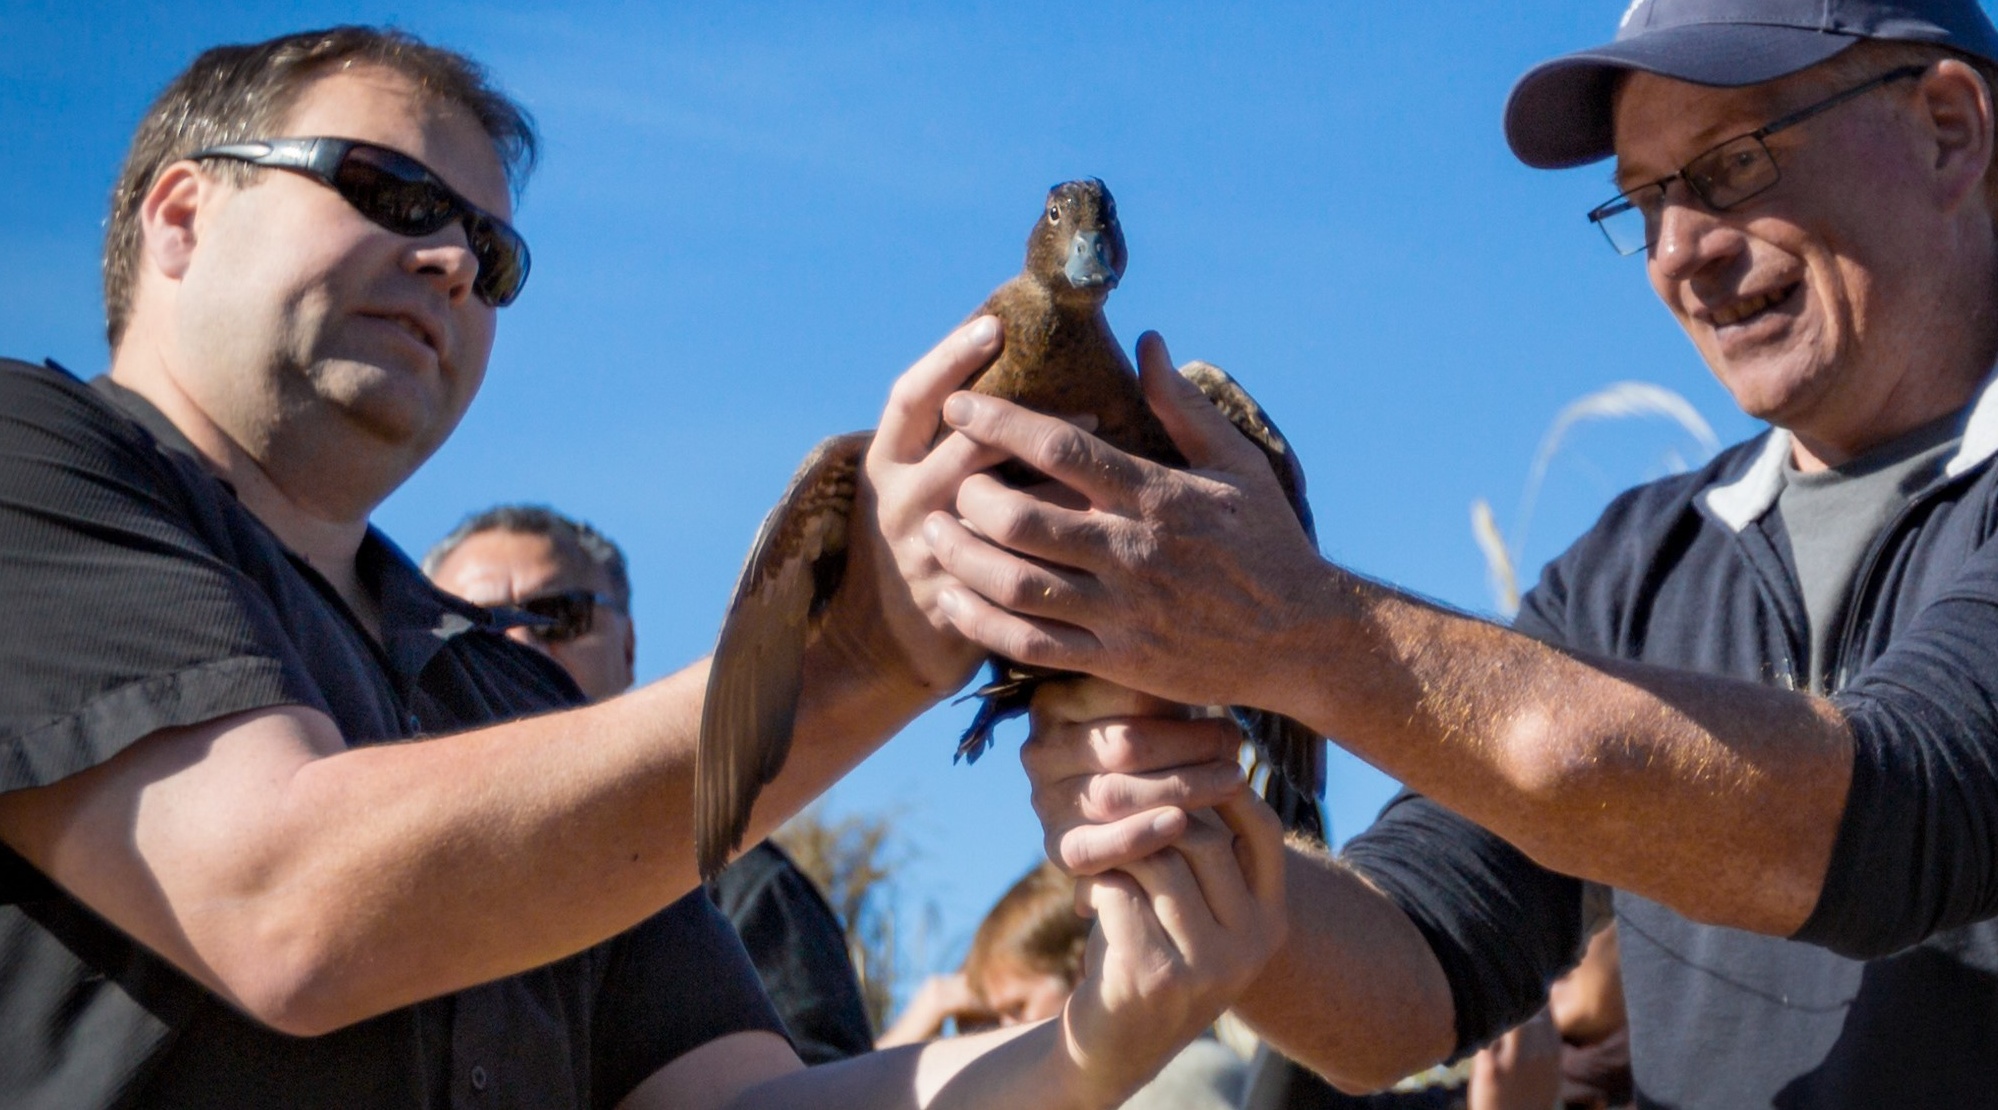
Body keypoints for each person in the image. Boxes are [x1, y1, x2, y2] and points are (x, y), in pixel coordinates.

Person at [0, 25, 1288, 1109]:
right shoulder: (24, 459)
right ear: (182, 215)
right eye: (389, 192)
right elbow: (282, 906)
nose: (453, 262)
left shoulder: (509, 697)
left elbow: (732, 1102)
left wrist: (1099, 1039)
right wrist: (860, 657)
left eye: (494, 256)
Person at [907, 0, 1998, 1104]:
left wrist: (1298, 631)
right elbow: (1411, 977)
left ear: (1950, 130)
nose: (1679, 251)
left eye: (1735, 163)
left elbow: (1898, 813)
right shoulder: (1638, 565)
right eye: (1644, 198)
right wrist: (1180, 838)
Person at [424, 503, 876, 1065]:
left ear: (629, 645)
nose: (521, 644)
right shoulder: (397, 900)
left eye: (559, 615)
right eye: (475, 624)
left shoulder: (742, 886)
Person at [881, 858, 1249, 1110]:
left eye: (1017, 1007)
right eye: (996, 1016)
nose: (1004, 1030)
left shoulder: (1177, 1079)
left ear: (1085, 968)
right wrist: (934, 1002)